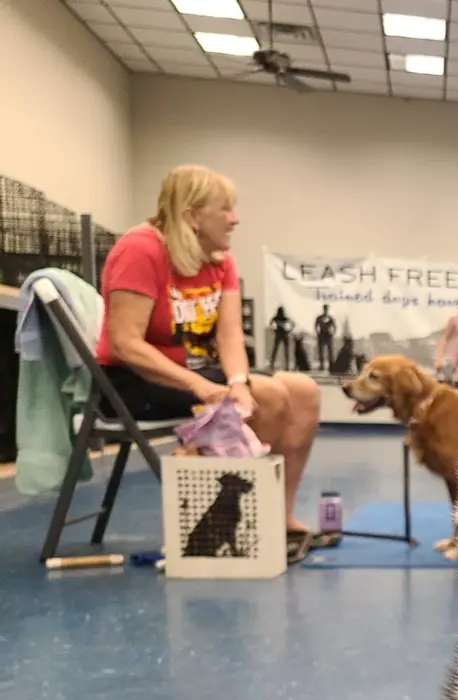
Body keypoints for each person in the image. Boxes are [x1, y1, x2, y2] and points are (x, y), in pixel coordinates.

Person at [96, 163, 327, 546]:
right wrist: (202, 387)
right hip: (134, 381)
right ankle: (242, 524)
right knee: (268, 397)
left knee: (303, 390)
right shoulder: (140, 250)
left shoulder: (219, 257)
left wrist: (236, 382)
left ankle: (277, 516)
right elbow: (125, 343)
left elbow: (230, 334)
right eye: (225, 209)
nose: (235, 219)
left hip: (199, 371)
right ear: (192, 216)